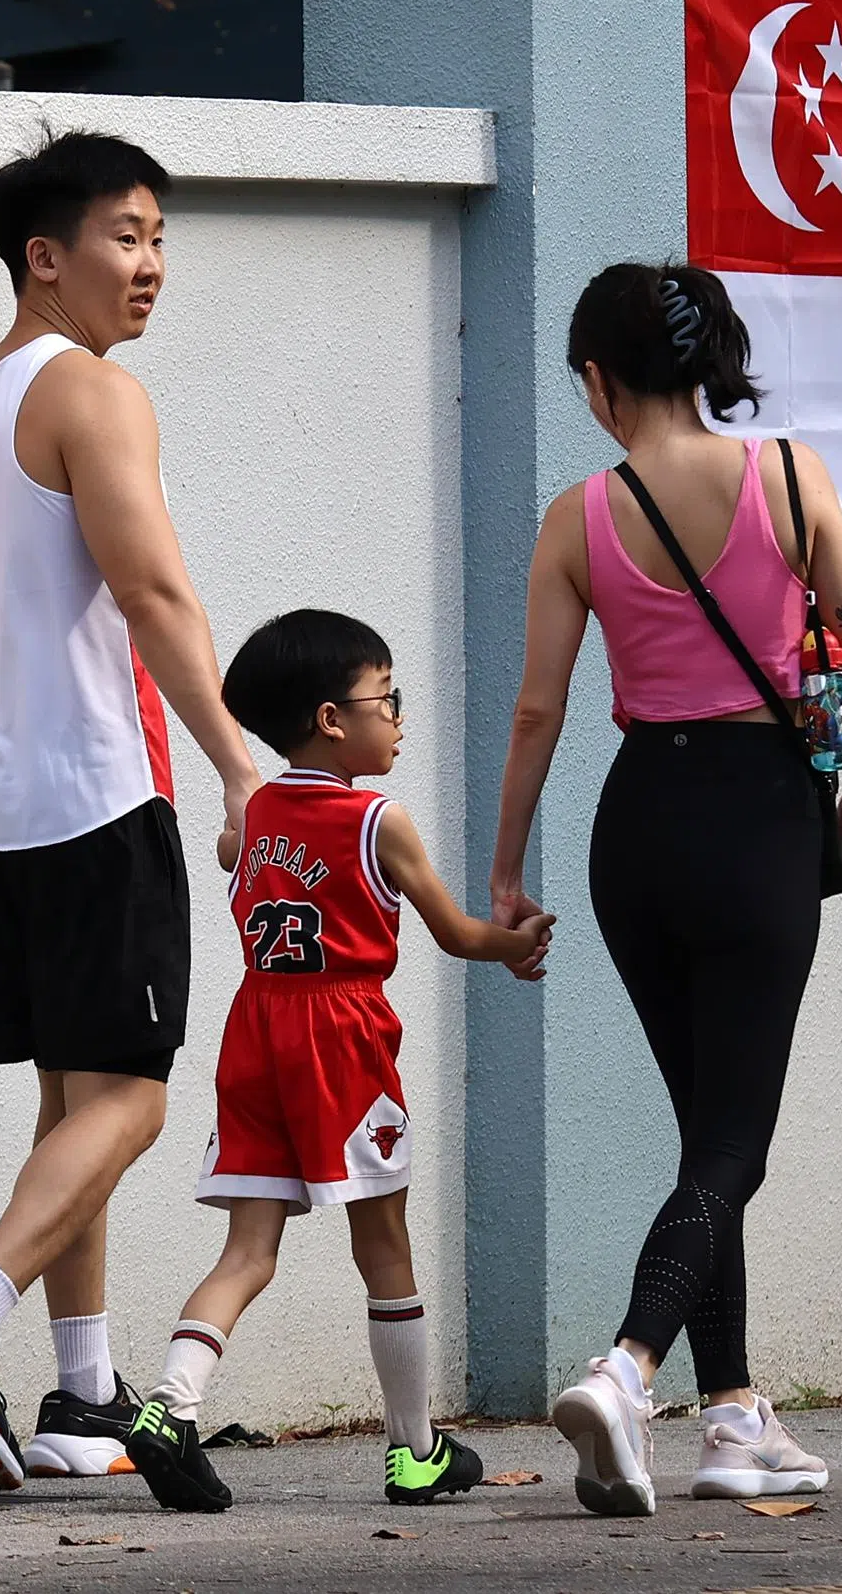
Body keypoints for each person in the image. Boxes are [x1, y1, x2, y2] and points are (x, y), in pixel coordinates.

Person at [0, 131, 267, 1491]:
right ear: (45, 256)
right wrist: (237, 761)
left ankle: (84, 1396)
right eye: (124, 234)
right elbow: (155, 593)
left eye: (160, 234)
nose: (150, 263)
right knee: (138, 1099)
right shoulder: (93, 394)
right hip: (99, 792)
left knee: (70, 1099)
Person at [488, 261, 842, 1516]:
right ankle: (627, 1369)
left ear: (602, 381)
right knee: (733, 1139)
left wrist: (504, 867)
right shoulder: (788, 475)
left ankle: (735, 1418)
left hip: (637, 830)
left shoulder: (579, 516)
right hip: (763, 817)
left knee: (705, 1135)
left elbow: (540, 706)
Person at [122, 609, 554, 1514]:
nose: (397, 714)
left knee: (247, 1248)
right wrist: (511, 941)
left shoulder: (251, 820)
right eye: (385, 696)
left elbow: (242, 866)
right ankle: (414, 1450)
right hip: (343, 1040)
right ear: (330, 718)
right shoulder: (378, 820)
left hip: (256, 1034)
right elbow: (453, 933)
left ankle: (169, 1407)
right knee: (384, 1246)